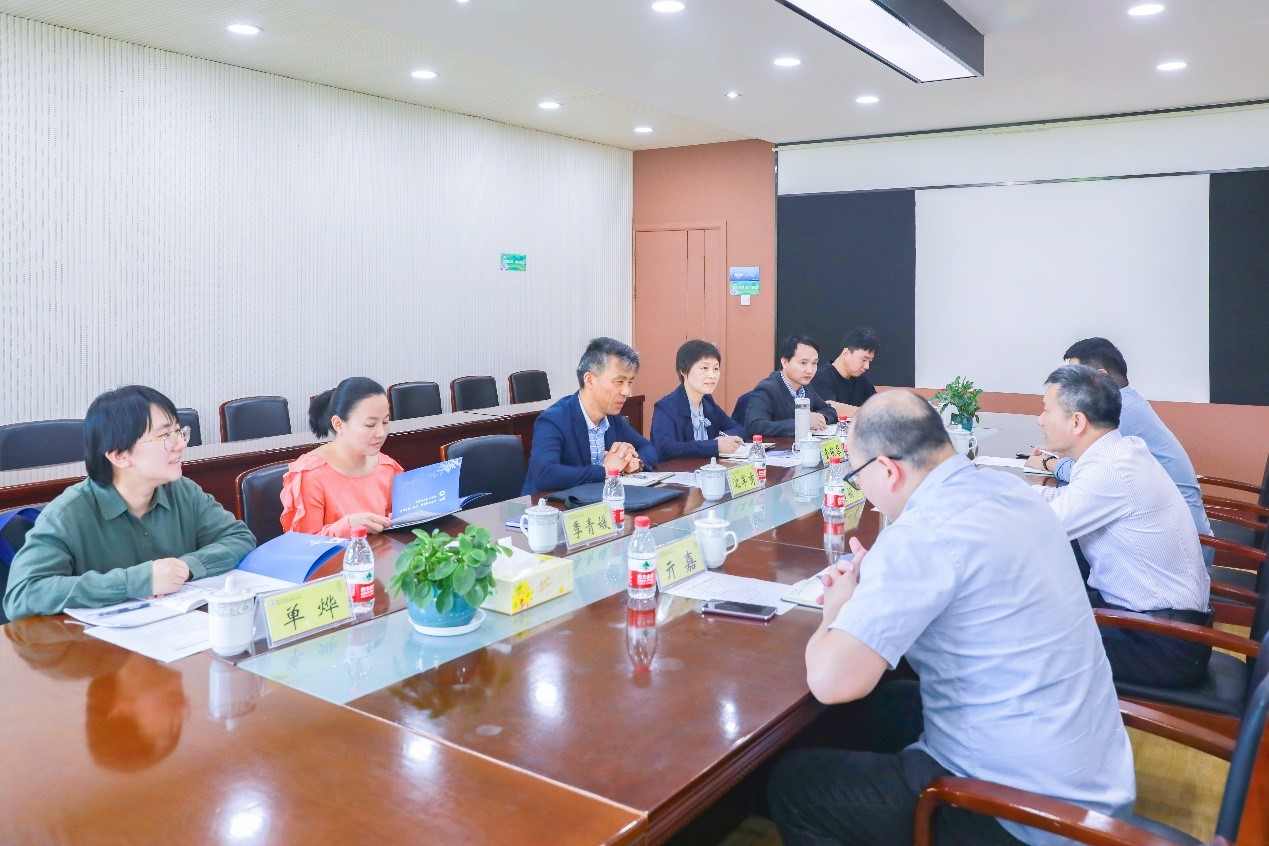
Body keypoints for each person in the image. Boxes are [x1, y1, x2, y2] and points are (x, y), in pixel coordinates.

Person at [768, 391, 1134, 846]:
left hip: (1026, 815)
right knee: (885, 703)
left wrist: (838, 608)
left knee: (795, 784)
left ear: (887, 470)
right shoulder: (1011, 491)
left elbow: (831, 681)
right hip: (1093, 780)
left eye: (857, 476)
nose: (863, 491)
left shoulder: (923, 533)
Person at [3, 386, 255, 621]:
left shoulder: (182, 491)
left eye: (179, 432)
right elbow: (23, 594)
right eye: (165, 436)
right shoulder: (68, 514)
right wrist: (137, 581)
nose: (181, 444)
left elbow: (239, 537)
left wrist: (186, 568)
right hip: (97, 648)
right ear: (120, 456)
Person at [1032, 364, 1211, 686]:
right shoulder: (1120, 451)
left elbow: (1038, 530)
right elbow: (1066, 501)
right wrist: (1012, 493)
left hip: (1159, 641)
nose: (1040, 420)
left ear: (1077, 422)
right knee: (1043, 602)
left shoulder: (1109, 470)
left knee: (1022, 634)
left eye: (1046, 410)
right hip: (1162, 626)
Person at [1028, 337, 1213, 543]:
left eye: (1076, 376)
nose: (1068, 385)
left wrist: (1049, 463)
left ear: (1100, 377)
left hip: (1181, 536)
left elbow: (1093, 474)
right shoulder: (1128, 403)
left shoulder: (1120, 411)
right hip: (1168, 528)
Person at [522, 337, 658, 494]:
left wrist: (635, 463)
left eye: (630, 382)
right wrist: (605, 470)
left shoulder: (612, 418)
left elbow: (648, 448)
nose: (627, 392)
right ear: (590, 380)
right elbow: (545, 474)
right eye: (619, 382)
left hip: (593, 501)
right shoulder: (554, 420)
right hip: (548, 505)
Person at [280, 377, 402, 537]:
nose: (381, 433)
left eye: (385, 422)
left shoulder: (387, 467)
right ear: (338, 424)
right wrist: (348, 525)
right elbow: (305, 543)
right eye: (370, 425)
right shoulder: (311, 474)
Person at [649, 339, 747, 460]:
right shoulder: (665, 407)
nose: (712, 375)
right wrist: (714, 446)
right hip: (679, 470)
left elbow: (738, 429)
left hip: (707, 468)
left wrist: (724, 440)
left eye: (716, 369)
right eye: (704, 368)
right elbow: (666, 448)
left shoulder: (707, 402)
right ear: (684, 370)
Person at [743, 335, 839, 438]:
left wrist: (820, 419)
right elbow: (755, 426)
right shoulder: (767, 389)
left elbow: (829, 410)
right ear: (785, 362)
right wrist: (803, 422)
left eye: (814, 363)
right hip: (777, 447)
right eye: (803, 363)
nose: (810, 370)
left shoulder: (806, 388)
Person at [810, 326, 878, 420]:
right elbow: (828, 406)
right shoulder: (822, 376)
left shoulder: (861, 380)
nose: (867, 366)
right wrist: (868, 412)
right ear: (846, 353)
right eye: (863, 360)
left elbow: (877, 401)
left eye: (869, 361)